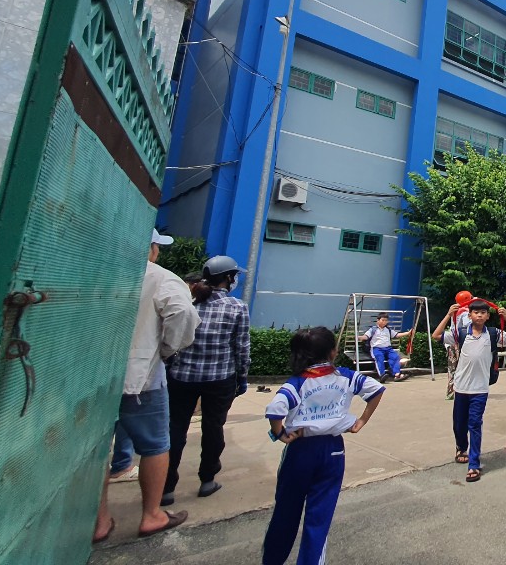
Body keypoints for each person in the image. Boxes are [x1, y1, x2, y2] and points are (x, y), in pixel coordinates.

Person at [93, 230, 201, 544]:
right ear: (151, 249)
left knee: (95, 450)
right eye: (157, 247)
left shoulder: (98, 271)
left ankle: (99, 520)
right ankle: (152, 514)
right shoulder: (161, 278)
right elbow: (183, 314)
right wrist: (167, 349)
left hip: (90, 376)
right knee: (155, 446)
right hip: (142, 379)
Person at [262, 327, 384, 565]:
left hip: (300, 451)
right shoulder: (345, 376)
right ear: (332, 352)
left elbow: (275, 410)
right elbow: (376, 389)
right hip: (333, 450)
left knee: (285, 511)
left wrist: (280, 434)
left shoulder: (298, 382)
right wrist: (361, 420)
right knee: (319, 517)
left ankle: (272, 560)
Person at [163, 255, 252, 505]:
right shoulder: (237, 307)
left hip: (182, 377)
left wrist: (170, 367)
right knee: (213, 428)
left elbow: (172, 339)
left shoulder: (190, 303)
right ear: (228, 278)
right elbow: (241, 347)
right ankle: (207, 480)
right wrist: (242, 377)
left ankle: (166, 487)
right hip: (220, 379)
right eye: (235, 276)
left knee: (175, 430)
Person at [431, 298, 506, 482]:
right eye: (476, 312)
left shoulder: (493, 333)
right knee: (459, 424)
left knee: (475, 424)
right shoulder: (460, 332)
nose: (479, 315)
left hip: (480, 389)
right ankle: (461, 447)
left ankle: (474, 464)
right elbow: (436, 336)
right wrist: (448, 314)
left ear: (487, 316)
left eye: (483, 312)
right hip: (461, 387)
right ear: (469, 315)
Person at [359, 313, 407, 382]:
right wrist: (360, 337)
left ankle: (397, 375)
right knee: (379, 357)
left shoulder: (388, 330)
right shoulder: (373, 329)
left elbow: (397, 335)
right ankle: (382, 375)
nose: (384, 322)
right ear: (378, 320)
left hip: (388, 349)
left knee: (395, 357)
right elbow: (366, 336)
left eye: (386, 320)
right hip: (377, 348)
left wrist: (408, 333)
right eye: (383, 320)